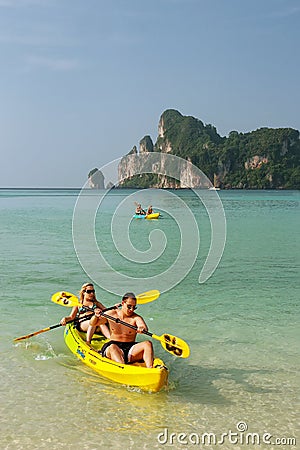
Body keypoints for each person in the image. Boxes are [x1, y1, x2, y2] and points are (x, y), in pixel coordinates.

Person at [88, 292, 154, 368]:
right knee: (113, 347)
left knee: (147, 344)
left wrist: (142, 328)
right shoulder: (112, 314)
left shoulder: (136, 318)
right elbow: (93, 323)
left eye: (134, 307)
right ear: (123, 303)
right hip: (114, 346)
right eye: (129, 306)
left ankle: (150, 369)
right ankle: (123, 369)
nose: (131, 310)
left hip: (130, 348)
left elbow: (143, 326)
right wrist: (96, 316)